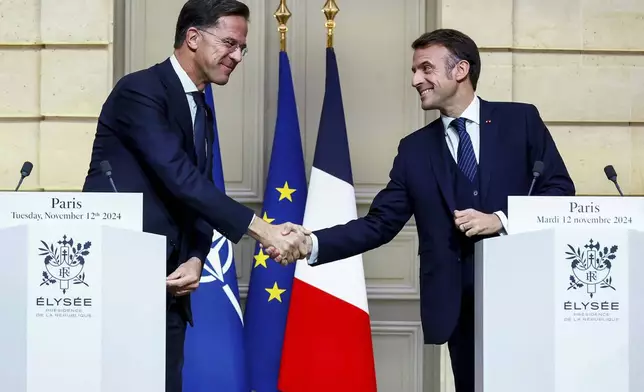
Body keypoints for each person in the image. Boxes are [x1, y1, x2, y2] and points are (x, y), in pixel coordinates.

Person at [272, 28, 575, 392]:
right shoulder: (414, 149)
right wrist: (311, 242)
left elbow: (559, 190)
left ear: (460, 70)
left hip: (525, 296)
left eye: (426, 68)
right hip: (458, 308)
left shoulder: (520, 121)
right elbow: (380, 223)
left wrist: (500, 221)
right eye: (415, 70)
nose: (416, 79)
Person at [82, 1, 308, 391]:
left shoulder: (200, 105)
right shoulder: (140, 90)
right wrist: (264, 231)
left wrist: (196, 256)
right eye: (230, 43)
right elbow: (179, 177)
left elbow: (201, 190)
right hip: (120, 279)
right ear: (193, 37)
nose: (237, 56)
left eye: (242, 48)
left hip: (172, 285)